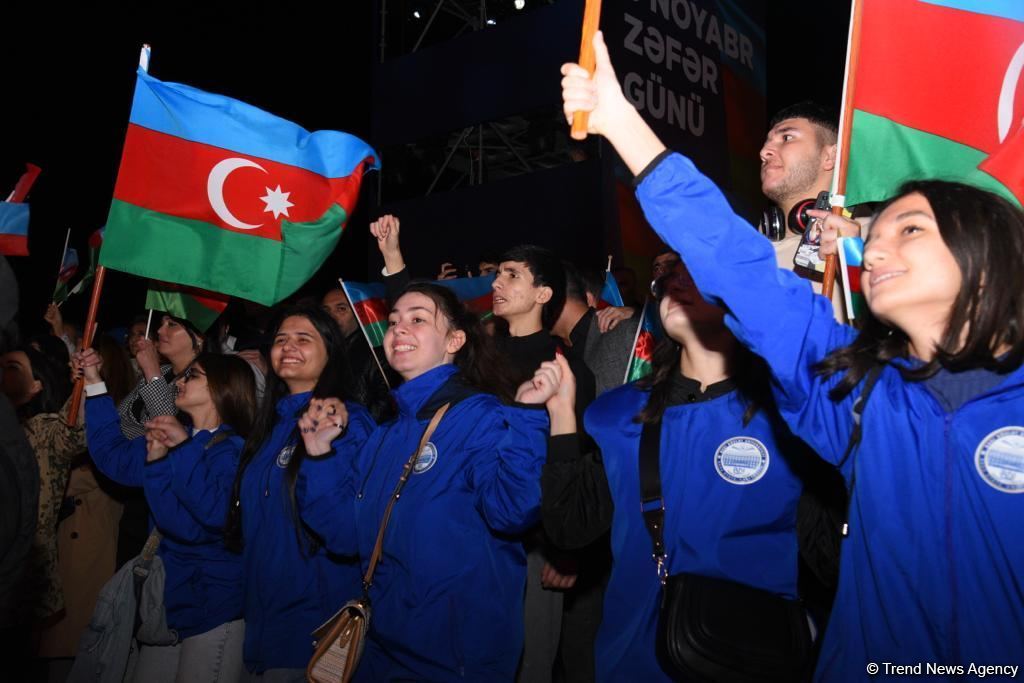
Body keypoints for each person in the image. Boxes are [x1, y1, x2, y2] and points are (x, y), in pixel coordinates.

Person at [562, 31, 1024, 677]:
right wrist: (620, 121)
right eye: (876, 234)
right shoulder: (856, 398)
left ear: (988, 253)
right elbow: (734, 261)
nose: (878, 250)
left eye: (909, 229)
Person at [538, 256, 815, 681]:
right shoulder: (620, 413)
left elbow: (832, 560)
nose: (674, 283)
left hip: (750, 655)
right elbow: (570, 527)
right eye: (668, 276)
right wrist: (560, 415)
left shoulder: (793, 416)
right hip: (633, 654)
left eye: (695, 273)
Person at [296, 282, 549, 681]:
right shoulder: (387, 434)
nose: (398, 329)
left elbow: (513, 511)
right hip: (382, 646)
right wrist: (320, 455)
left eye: (417, 320)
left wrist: (530, 418)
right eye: (393, 322)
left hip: (455, 657)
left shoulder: (479, 416)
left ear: (455, 339)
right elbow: (346, 535)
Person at [78, 349, 257, 681]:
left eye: (193, 375)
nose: (180, 380)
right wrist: (94, 384)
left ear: (223, 387)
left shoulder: (237, 453)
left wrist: (169, 458)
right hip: (169, 604)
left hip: (213, 608)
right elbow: (112, 457)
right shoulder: (179, 436)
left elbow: (201, 521)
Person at [224, 305, 374, 681]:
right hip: (262, 627)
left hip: (313, 631)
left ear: (331, 352)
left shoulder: (345, 421)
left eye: (303, 339)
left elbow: (349, 532)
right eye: (280, 340)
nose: (288, 347)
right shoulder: (268, 428)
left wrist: (321, 451)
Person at [1, 344, 84, 630]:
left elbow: (71, 432)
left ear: (36, 386)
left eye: (12, 368)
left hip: (20, 581)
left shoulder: (43, 430)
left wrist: (83, 382)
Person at [321, 287, 393, 421]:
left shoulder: (376, 355)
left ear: (358, 314)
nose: (331, 317)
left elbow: (385, 409)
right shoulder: (320, 352)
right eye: (326, 311)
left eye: (341, 309)